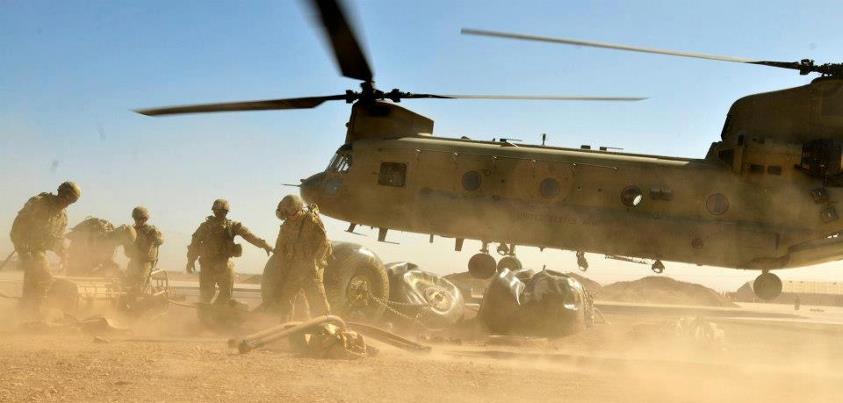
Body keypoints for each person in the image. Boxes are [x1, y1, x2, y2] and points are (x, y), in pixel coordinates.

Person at [9, 181, 81, 318]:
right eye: (67, 197)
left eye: (72, 200)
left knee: (34, 282)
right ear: (60, 192)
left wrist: (63, 254)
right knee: (44, 277)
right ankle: (38, 313)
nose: (68, 202)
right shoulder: (39, 203)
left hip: (38, 251)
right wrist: (23, 251)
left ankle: (26, 313)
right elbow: (16, 229)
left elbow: (56, 240)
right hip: (26, 248)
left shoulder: (62, 217)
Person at [187, 199, 273, 305]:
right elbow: (194, 244)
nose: (218, 213)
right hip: (207, 265)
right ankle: (205, 317)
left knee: (226, 294)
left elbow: (249, 236)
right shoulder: (205, 227)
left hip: (224, 265)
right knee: (206, 295)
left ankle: (218, 314)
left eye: (221, 211)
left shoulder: (232, 226)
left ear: (226, 212)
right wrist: (190, 260)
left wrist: (264, 245)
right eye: (216, 211)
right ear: (213, 211)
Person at [273, 195, 332, 322]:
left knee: (318, 301)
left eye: (292, 213)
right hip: (295, 267)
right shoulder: (286, 225)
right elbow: (279, 248)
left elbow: (324, 243)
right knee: (286, 298)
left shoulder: (311, 220)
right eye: (287, 214)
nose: (290, 217)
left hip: (311, 267)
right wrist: (280, 268)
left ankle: (325, 330)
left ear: (299, 209)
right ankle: (285, 328)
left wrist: (315, 263)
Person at [123, 207, 164, 308]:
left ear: (145, 219)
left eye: (140, 219)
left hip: (146, 263)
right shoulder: (131, 231)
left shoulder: (151, 230)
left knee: (141, 285)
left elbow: (161, 240)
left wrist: (156, 236)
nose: (138, 221)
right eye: (136, 218)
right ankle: (129, 306)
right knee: (127, 283)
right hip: (134, 261)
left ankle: (143, 307)